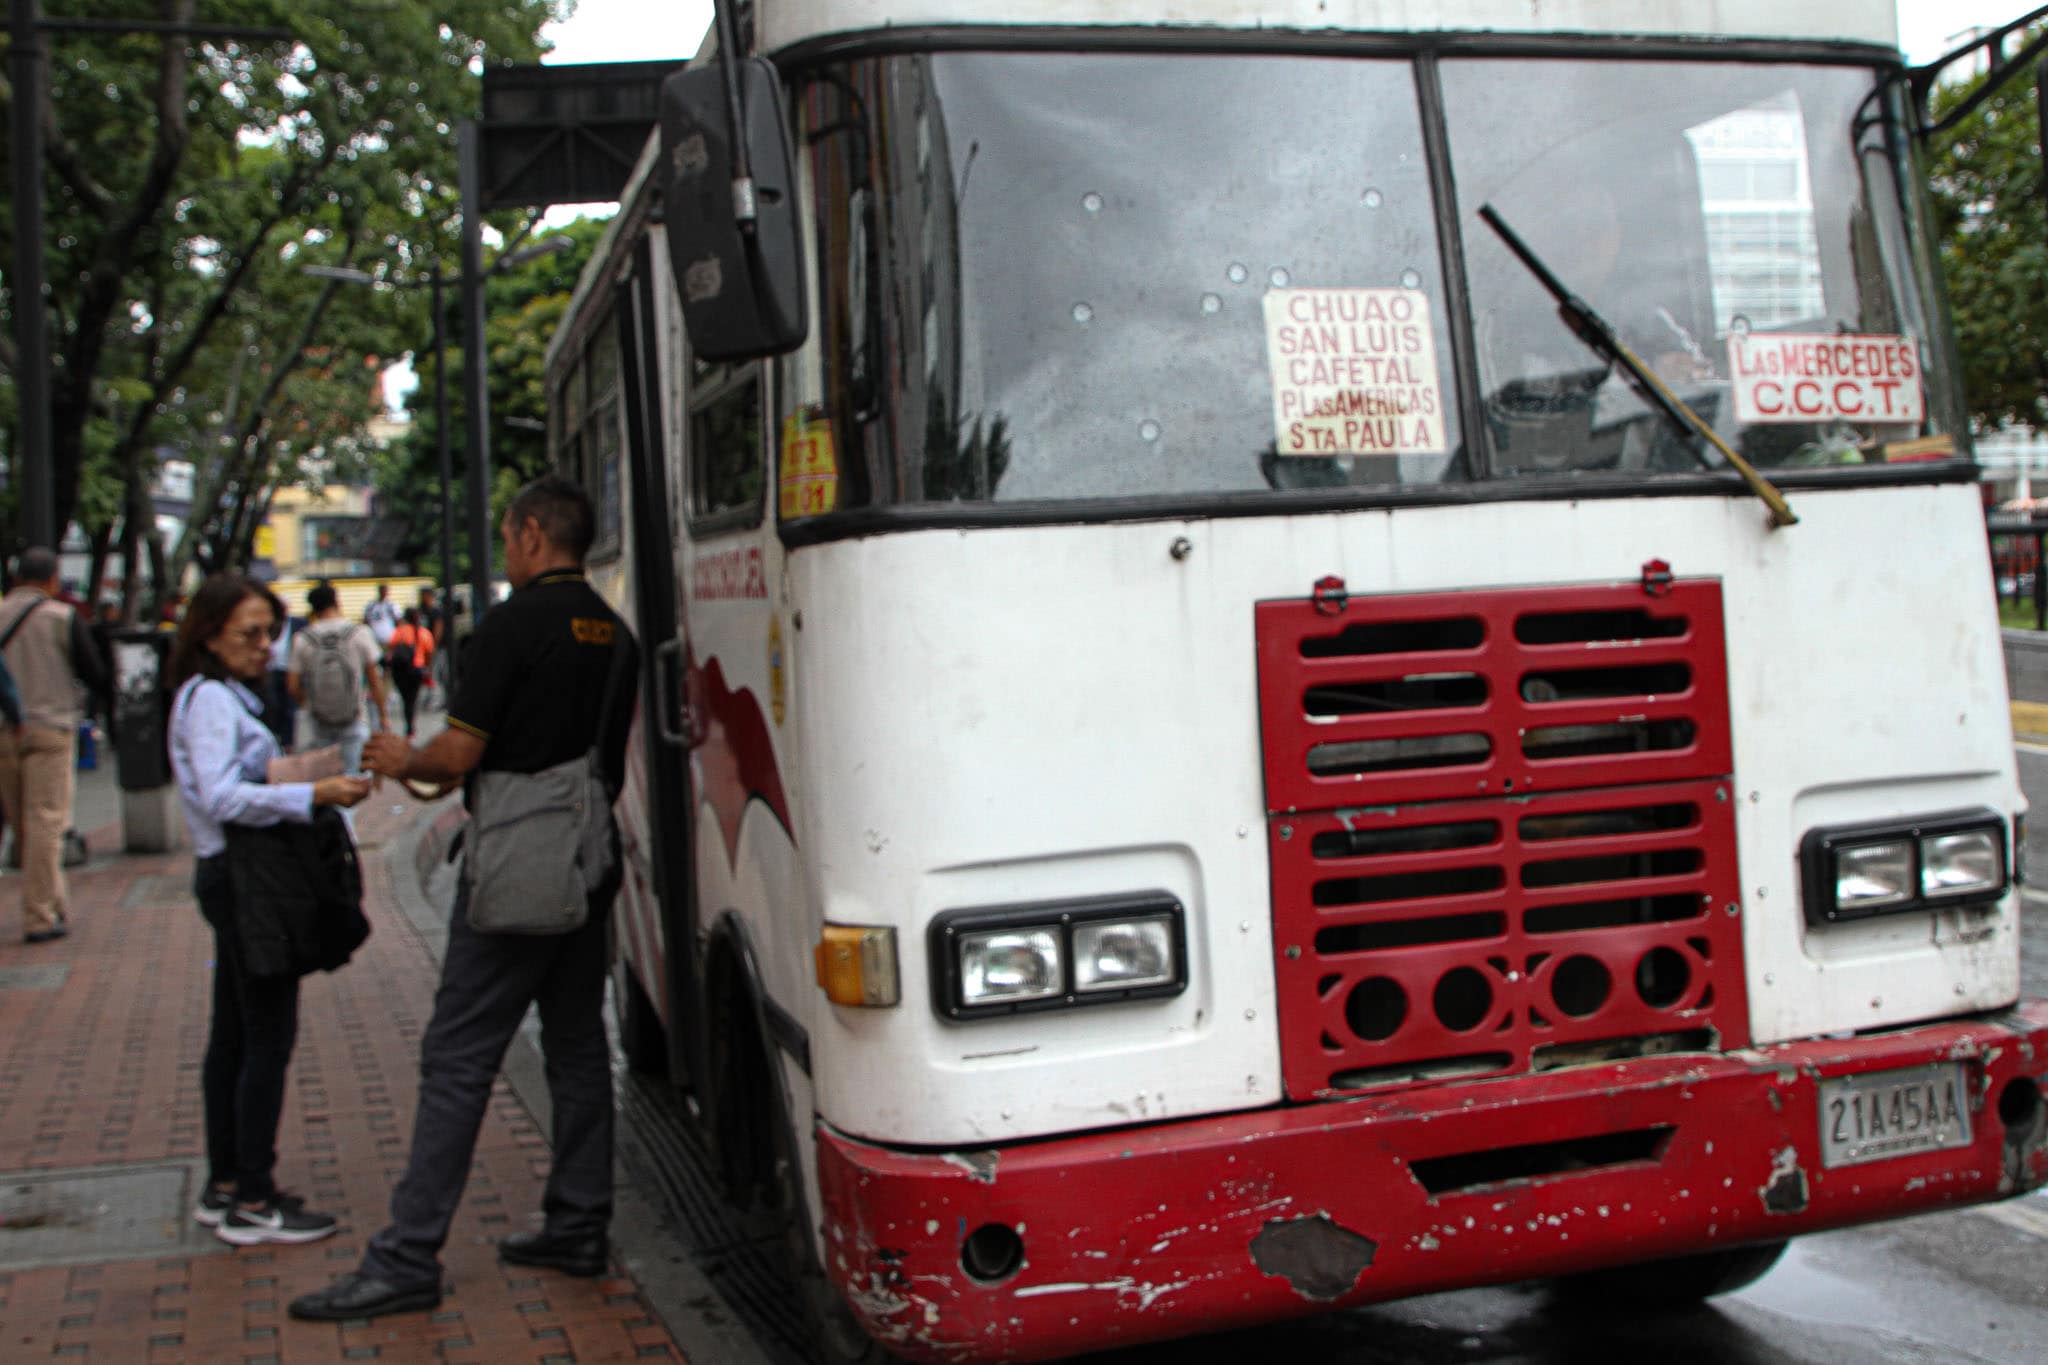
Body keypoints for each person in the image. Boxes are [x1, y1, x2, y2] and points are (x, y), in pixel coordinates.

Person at [290, 476, 639, 1323]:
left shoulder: (513, 626)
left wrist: (400, 756)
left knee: (456, 1058)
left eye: (506, 532)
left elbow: (455, 754)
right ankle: (578, 1223)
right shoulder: (616, 633)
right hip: (586, 869)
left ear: (527, 535)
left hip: (515, 871)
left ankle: (408, 1255)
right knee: (577, 1047)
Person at [169, 575, 370, 1242]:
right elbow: (223, 795)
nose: (264, 646)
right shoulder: (210, 702)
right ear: (210, 633)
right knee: (264, 1037)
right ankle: (252, 1193)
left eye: (269, 631)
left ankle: (229, 1181)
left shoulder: (218, 694)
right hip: (242, 878)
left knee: (234, 1032)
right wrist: (311, 795)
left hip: (235, 875)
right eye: (248, 633)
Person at [0, 547, 108, 944]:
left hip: (3, 732)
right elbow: (94, 672)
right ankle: (40, 915)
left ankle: (51, 901)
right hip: (50, 727)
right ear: (51, 580)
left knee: (23, 823)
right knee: (46, 821)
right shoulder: (62, 618)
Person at [288, 582, 386, 774]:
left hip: (319, 720)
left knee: (326, 776)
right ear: (337, 602)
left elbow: (292, 685)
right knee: (353, 775)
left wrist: (309, 705)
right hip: (355, 717)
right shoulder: (359, 633)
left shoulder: (303, 639)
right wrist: (383, 715)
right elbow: (375, 681)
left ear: (313, 608)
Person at [384, 608, 433, 738]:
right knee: (412, 698)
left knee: (406, 698)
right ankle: (410, 724)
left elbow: (391, 650)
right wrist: (428, 671)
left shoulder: (399, 632)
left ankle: (409, 723)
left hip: (401, 671)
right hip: (417, 670)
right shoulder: (425, 633)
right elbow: (429, 654)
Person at [363, 583, 400, 656]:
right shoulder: (371, 605)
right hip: (375, 640)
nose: (383, 592)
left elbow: (398, 621)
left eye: (385, 590)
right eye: (382, 590)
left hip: (389, 640)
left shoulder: (392, 605)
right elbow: (366, 621)